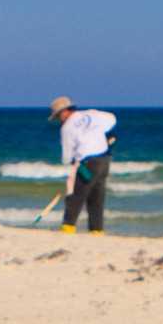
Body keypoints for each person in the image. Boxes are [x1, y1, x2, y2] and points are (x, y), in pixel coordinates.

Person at [49, 95, 118, 233]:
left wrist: (71, 163)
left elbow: (67, 156)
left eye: (58, 116)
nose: (58, 120)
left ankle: (68, 227)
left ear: (63, 112)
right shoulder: (91, 114)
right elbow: (112, 119)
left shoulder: (67, 128)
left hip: (87, 163)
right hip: (104, 159)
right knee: (96, 197)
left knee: (75, 196)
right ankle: (96, 230)